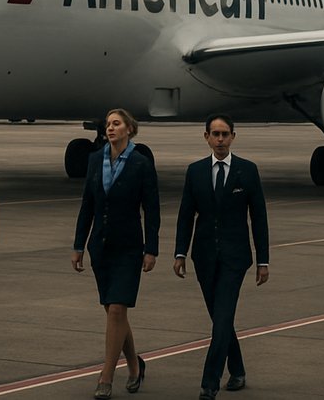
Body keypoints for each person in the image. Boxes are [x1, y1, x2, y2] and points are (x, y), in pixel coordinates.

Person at [173, 115, 269, 399]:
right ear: (206, 137)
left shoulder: (247, 171)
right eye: (215, 134)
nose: (220, 139)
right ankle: (237, 369)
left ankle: (209, 383)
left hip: (235, 257)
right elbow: (185, 214)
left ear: (233, 137)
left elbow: (259, 217)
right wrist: (180, 252)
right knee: (220, 319)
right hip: (203, 256)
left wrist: (263, 259)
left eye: (225, 134)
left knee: (223, 316)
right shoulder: (196, 171)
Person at [72, 109, 161, 399]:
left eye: (116, 124)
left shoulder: (140, 163)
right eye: (108, 124)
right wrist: (78, 245)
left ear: (129, 130)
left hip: (129, 248)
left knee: (117, 310)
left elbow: (152, 210)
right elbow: (87, 205)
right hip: (100, 245)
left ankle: (106, 376)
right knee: (114, 313)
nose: (110, 128)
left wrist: (152, 249)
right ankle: (134, 365)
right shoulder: (95, 160)